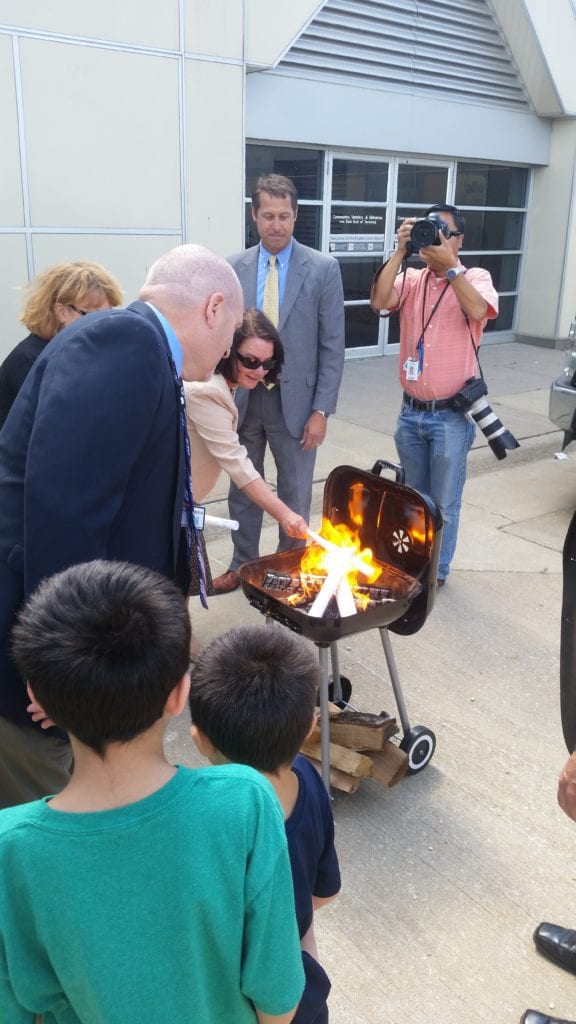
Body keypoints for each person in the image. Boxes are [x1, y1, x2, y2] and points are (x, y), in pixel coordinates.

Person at [0, 559, 304, 1023]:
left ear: (36, 697)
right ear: (180, 694)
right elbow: (278, 1000)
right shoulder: (244, 803)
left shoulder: (11, 851)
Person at [0, 243, 243, 809]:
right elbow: (67, 513)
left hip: (67, 646)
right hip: (43, 661)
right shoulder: (124, 342)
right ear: (212, 308)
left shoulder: (140, 349)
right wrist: (64, 667)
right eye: (231, 329)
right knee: (56, 819)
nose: (231, 348)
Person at [190, 624, 341, 1024]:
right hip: (301, 995)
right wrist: (299, 942)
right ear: (310, 726)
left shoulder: (198, 822)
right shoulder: (309, 778)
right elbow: (324, 892)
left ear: (199, 738)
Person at [212, 172, 345, 594]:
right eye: (268, 215)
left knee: (294, 492)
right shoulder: (233, 268)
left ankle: (290, 567)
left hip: (298, 405)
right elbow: (224, 338)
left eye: (284, 216)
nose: (277, 224)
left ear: (295, 215)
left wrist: (321, 410)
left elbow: (333, 345)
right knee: (244, 488)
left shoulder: (323, 269)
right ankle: (242, 564)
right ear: (254, 215)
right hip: (245, 399)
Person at [371, 203, 498, 587]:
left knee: (444, 503)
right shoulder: (412, 278)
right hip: (410, 413)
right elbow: (379, 301)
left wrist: (450, 268)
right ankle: (414, 565)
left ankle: (436, 572)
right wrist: (399, 251)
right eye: (430, 228)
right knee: (413, 500)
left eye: (444, 231)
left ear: (459, 239)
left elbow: (478, 310)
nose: (436, 237)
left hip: (450, 417)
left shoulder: (475, 276)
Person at [184, 307, 308, 595]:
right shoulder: (208, 391)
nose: (260, 370)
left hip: (185, 498)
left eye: (269, 362)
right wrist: (285, 514)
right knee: (173, 583)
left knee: (183, 579)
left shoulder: (229, 384)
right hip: (169, 498)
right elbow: (239, 465)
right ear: (228, 351)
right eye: (251, 361)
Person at [0, 260, 123, 428]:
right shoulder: (31, 361)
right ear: (62, 312)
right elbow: (63, 427)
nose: (105, 324)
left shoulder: (71, 351)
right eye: (94, 315)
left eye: (109, 315)